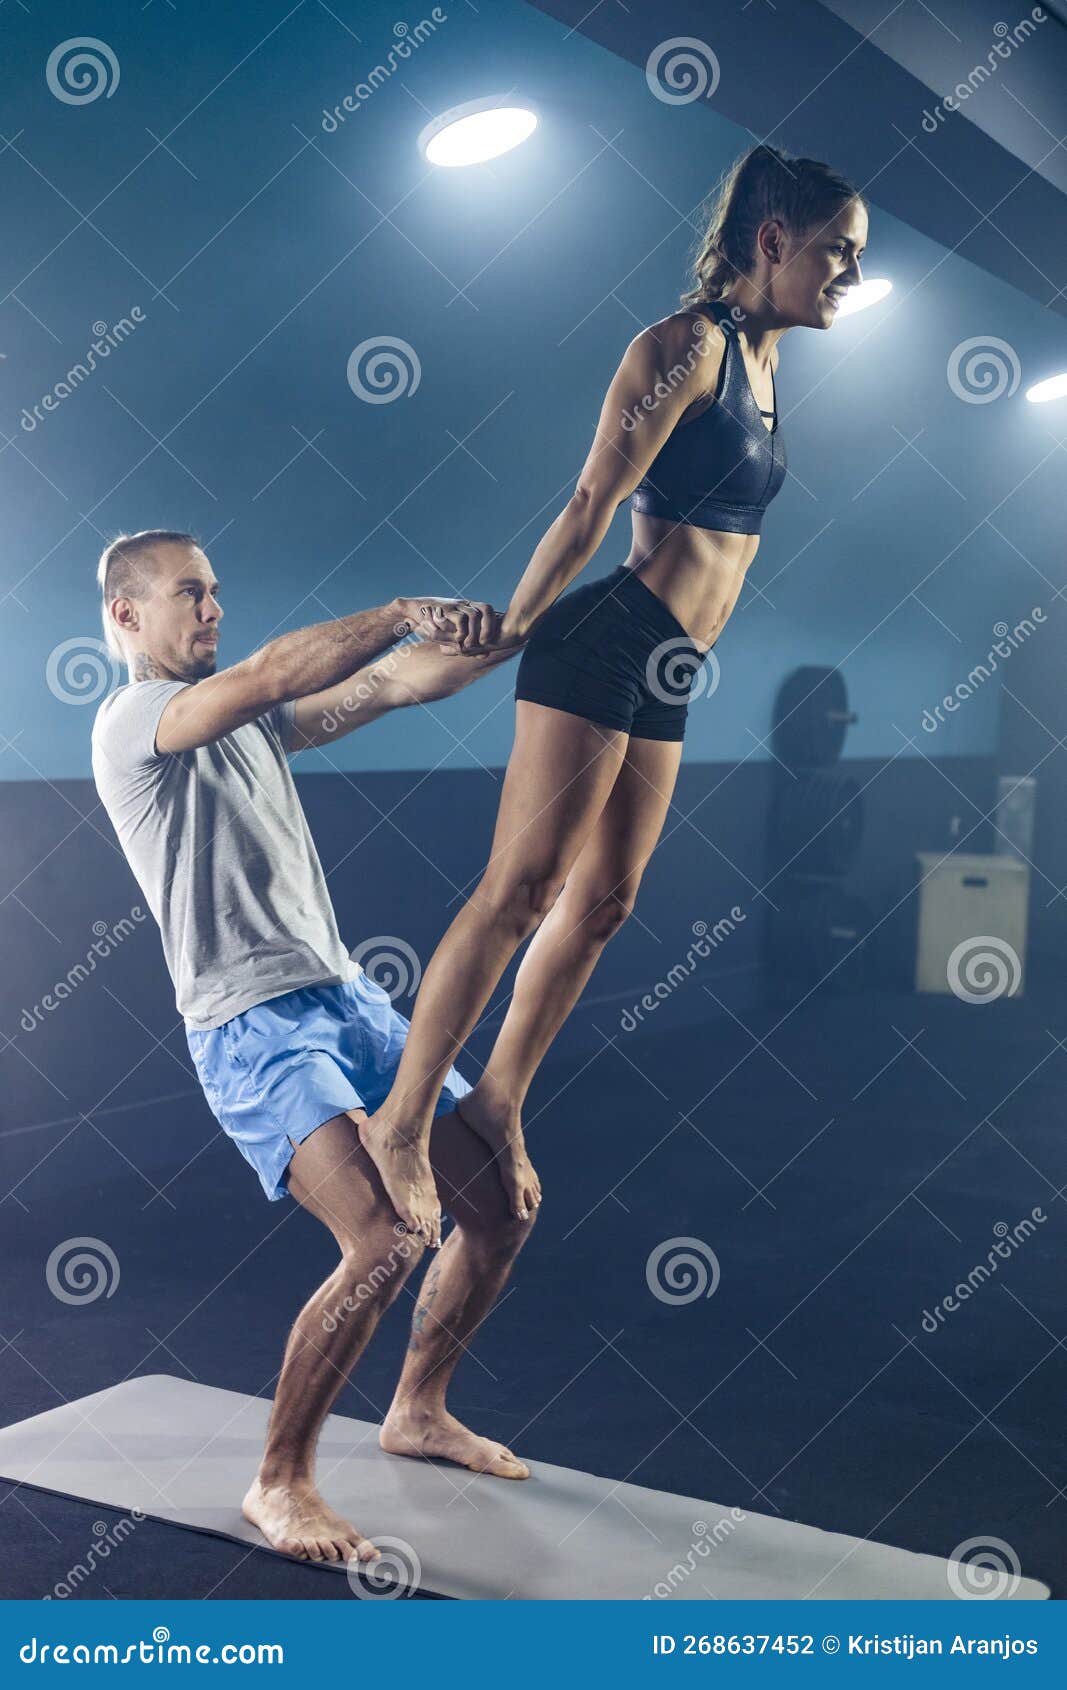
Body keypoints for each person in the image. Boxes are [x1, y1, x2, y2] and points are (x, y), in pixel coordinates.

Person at [359, 143, 868, 1246]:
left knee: (603, 904)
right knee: (525, 885)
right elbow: (593, 497)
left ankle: (493, 1101)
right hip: (605, 638)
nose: (849, 277)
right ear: (771, 240)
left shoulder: (770, 370)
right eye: (836, 252)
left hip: (669, 667)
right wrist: (517, 622)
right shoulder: (684, 346)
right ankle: (399, 1119)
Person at [91, 530, 538, 1566]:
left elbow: (390, 686)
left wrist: (524, 626)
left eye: (216, 591)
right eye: (189, 594)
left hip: (347, 998)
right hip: (250, 1025)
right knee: (385, 1234)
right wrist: (395, 607)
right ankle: (278, 1480)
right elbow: (279, 670)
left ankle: (416, 1409)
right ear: (127, 616)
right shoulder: (134, 721)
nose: (211, 608)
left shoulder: (255, 723)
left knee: (502, 1205)